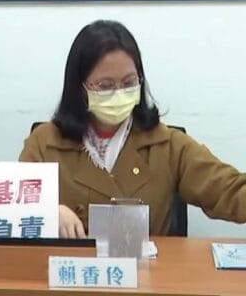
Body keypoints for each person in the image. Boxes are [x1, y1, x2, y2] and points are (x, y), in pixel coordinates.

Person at [20, 20, 246, 237]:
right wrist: (48, 212)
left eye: (129, 83)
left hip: (149, 263)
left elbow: (229, 191)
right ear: (79, 87)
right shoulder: (44, 143)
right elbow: (12, 205)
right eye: (105, 85)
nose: (119, 92)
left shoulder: (168, 145)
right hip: (69, 262)